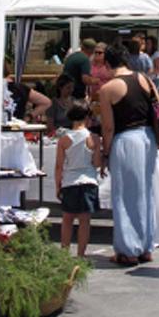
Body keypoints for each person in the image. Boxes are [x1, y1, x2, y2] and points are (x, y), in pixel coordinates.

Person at [99, 44, 159, 266]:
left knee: (124, 195)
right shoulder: (144, 79)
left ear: (107, 64)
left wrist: (105, 154)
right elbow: (158, 106)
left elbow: (107, 127)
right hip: (148, 137)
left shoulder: (108, 89)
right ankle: (146, 245)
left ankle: (127, 249)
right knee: (145, 191)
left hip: (126, 139)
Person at [55, 100, 101, 257]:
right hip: (88, 180)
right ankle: (81, 254)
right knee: (84, 221)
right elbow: (96, 163)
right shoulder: (93, 138)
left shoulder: (64, 139)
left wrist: (57, 185)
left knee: (67, 219)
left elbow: (59, 166)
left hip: (70, 181)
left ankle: (64, 252)